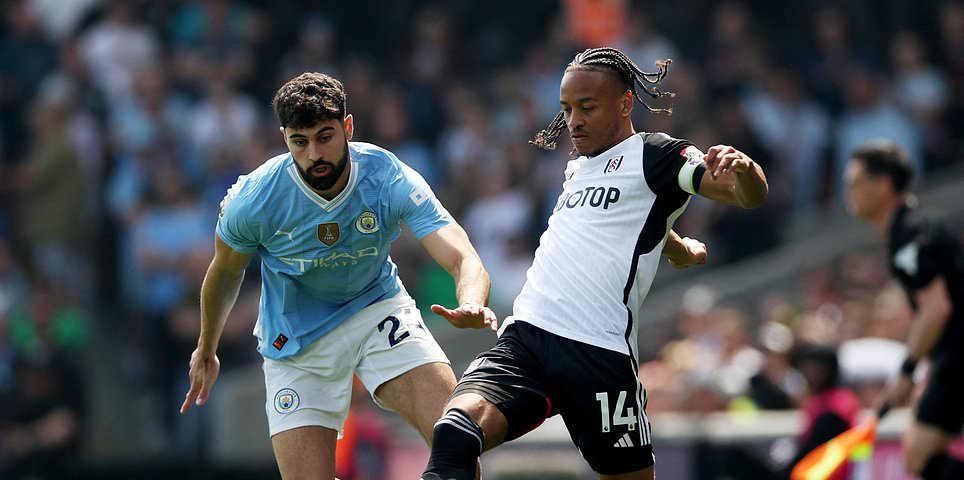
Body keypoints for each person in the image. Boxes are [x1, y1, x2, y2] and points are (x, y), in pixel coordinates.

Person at [421, 47, 768, 480]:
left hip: (598, 352)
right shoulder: (577, 168)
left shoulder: (656, 154)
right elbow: (623, 225)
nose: (574, 120)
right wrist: (677, 246)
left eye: (587, 107)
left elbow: (740, 193)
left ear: (625, 103)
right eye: (566, 109)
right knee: (455, 431)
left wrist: (748, 173)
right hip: (528, 335)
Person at [177, 72, 501, 480]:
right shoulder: (254, 199)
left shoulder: (386, 176)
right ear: (285, 139)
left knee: (456, 440)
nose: (315, 153)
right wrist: (206, 348)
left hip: (377, 311)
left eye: (325, 136)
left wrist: (471, 298)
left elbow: (460, 253)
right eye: (300, 141)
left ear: (348, 127)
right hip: (295, 342)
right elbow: (224, 272)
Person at [844, 139, 964, 480]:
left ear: (883, 185)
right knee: (918, 451)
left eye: (854, 184)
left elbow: (936, 309)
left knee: (919, 456)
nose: (848, 193)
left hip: (957, 355)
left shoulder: (909, 236)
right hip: (950, 356)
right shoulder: (911, 228)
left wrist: (908, 371)